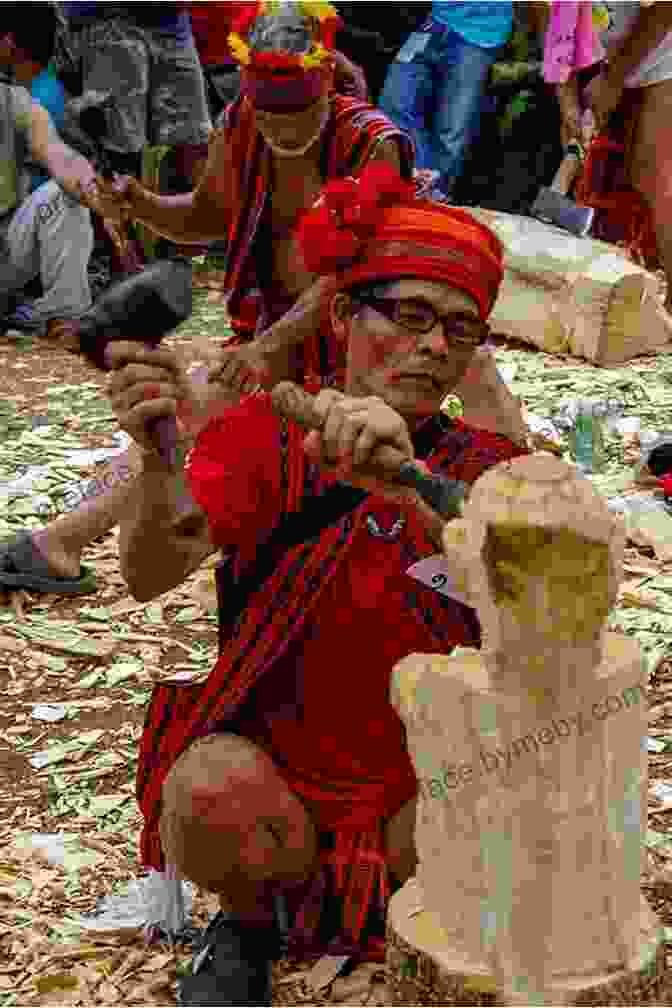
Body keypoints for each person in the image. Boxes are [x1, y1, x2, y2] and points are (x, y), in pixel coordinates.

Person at [105, 161, 530, 1005]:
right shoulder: (264, 435)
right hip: (281, 785)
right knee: (209, 789)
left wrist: (410, 488)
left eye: (461, 328)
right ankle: (252, 921)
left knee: (516, 802)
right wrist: (156, 462)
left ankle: (419, 915)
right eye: (409, 316)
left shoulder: (492, 470)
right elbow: (149, 574)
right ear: (341, 314)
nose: (435, 347)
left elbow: (543, 611)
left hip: (422, 791)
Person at [548, 2, 672, 306]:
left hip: (662, 43)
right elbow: (557, 24)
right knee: (607, 163)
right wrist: (568, 103)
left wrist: (612, 83)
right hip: (606, 52)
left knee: (654, 173)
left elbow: (662, 11)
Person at [0, 7, 98, 339]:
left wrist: (86, 182)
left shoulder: (16, 100)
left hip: (5, 250)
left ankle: (64, 318)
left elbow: (59, 155)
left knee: (65, 195)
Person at [379, 2, 514, 201]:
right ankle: (417, 184)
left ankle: (434, 196)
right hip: (431, 20)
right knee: (394, 103)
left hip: (481, 30)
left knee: (452, 130)